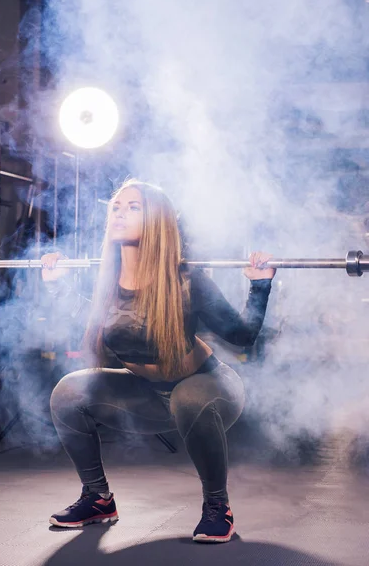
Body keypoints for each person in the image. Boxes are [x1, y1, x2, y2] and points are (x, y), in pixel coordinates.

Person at [41, 179, 275, 543]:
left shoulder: (186, 279)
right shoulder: (106, 278)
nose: (120, 213)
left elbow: (242, 335)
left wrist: (260, 286)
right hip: (149, 395)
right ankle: (98, 499)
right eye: (116, 206)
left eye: (134, 207)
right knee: (68, 392)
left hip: (211, 389)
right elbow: (90, 323)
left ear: (158, 220)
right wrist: (56, 284)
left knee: (189, 397)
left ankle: (218, 507)